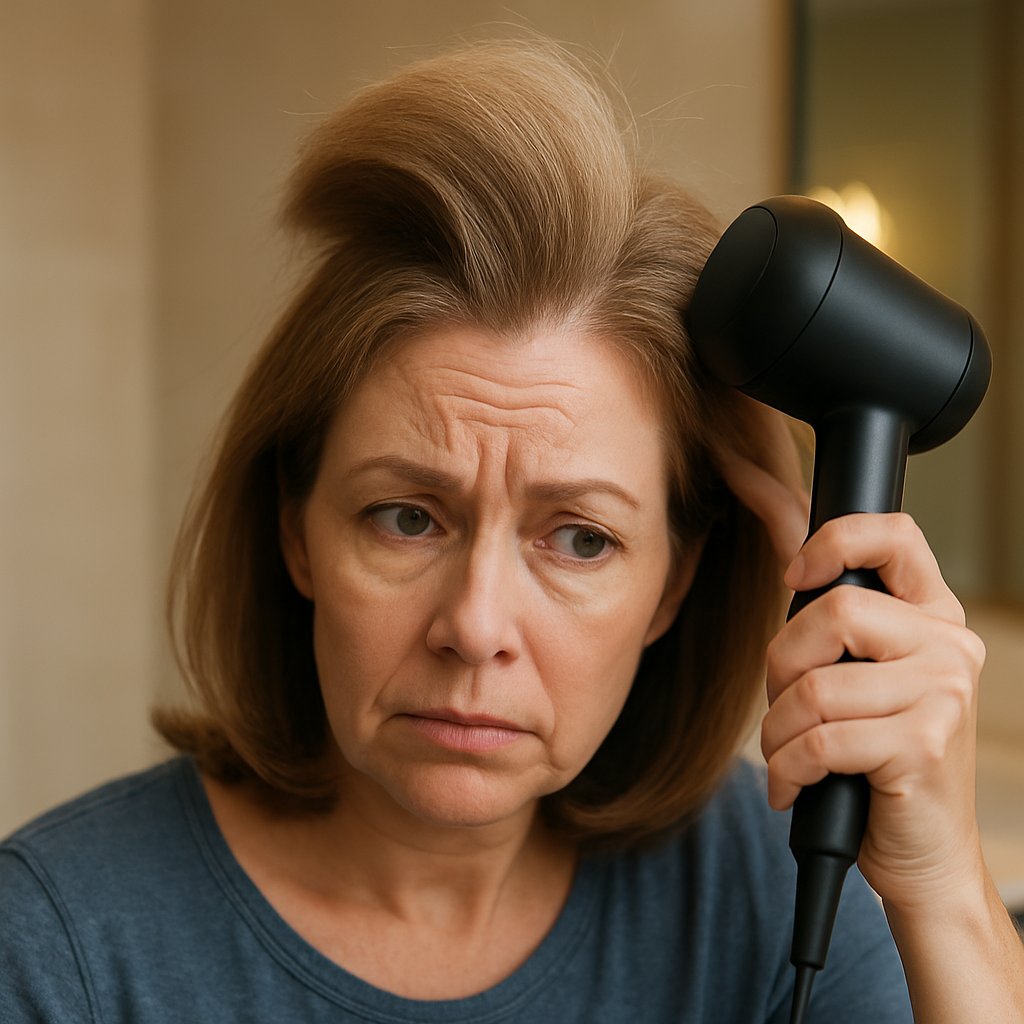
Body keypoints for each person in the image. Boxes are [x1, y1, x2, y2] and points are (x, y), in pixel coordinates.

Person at [2, 37, 1021, 1024]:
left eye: (579, 538)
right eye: (407, 518)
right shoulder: (58, 949)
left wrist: (946, 892)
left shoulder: (764, 897)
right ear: (295, 532)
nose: (475, 624)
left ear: (675, 583)